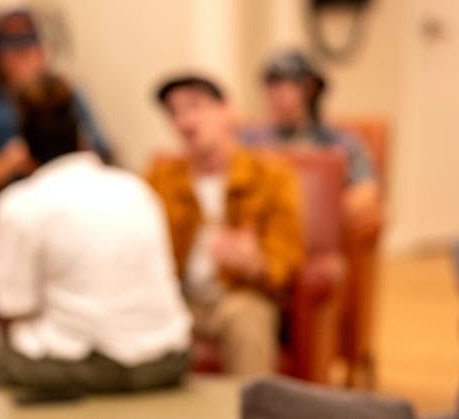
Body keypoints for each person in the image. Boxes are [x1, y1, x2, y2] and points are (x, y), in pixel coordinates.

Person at [0, 74, 190, 393]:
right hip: (169, 359)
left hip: (86, 367)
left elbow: (11, 311)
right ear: (83, 141)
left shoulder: (19, 204)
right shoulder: (136, 188)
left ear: (23, 152)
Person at [0, 9, 110, 311]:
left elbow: (99, 151)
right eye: (12, 51)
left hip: (66, 198)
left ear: (43, 50)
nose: (23, 58)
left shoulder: (67, 92)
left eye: (29, 48)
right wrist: (9, 161)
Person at [146, 74, 303, 375]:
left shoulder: (271, 177)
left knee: (247, 317)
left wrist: (254, 263)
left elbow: (287, 259)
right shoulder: (159, 178)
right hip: (177, 299)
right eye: (174, 112)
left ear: (226, 110)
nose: (185, 121)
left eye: (195, 106)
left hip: (237, 297)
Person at [242, 49, 383, 240]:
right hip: (262, 231)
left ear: (309, 89)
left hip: (317, 230)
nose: (273, 94)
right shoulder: (248, 140)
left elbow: (365, 188)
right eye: (269, 85)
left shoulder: (340, 142)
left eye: (282, 85)